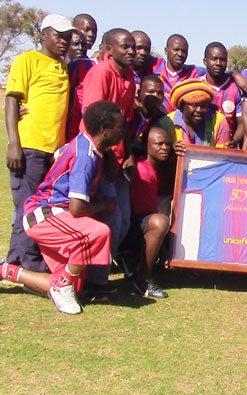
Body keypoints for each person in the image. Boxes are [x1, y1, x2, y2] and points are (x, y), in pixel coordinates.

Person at [0, 101, 124, 314]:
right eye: (119, 126)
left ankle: (5, 270)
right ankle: (61, 286)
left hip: (55, 214)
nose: (123, 131)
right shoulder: (86, 157)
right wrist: (105, 204)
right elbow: (76, 208)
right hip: (44, 214)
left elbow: (60, 155)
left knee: (71, 285)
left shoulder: (86, 145)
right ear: (105, 130)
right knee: (98, 232)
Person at [5, 14, 76, 273]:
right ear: (43, 35)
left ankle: (13, 266)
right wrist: (14, 143)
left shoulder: (63, 66)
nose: (64, 41)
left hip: (53, 152)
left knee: (39, 208)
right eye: (59, 35)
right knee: (27, 209)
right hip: (30, 148)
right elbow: (13, 99)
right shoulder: (27, 60)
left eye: (68, 37)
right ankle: (31, 267)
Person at [80, 28, 137, 289]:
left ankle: (98, 275)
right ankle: (95, 281)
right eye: (125, 46)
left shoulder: (131, 77)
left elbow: (124, 122)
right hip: (100, 158)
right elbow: (91, 119)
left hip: (119, 158)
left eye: (133, 47)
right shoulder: (101, 73)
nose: (131, 51)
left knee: (123, 219)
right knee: (110, 217)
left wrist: (126, 155)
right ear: (109, 49)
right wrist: (109, 158)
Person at [128, 126, 174, 298]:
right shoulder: (138, 167)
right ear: (146, 145)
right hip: (131, 226)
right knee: (160, 221)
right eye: (159, 144)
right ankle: (143, 279)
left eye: (168, 144)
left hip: (142, 223)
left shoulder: (156, 170)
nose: (165, 148)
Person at [168, 79, 232, 154]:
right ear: (181, 106)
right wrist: (171, 152)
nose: (199, 110)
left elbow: (222, 156)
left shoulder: (219, 120)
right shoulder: (168, 122)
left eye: (203, 105)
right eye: (194, 105)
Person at [200, 42, 244, 147]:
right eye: (214, 59)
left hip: (227, 147)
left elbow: (242, 123)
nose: (218, 63)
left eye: (223, 59)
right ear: (205, 61)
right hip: (201, 145)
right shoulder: (197, 86)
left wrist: (234, 141)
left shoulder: (236, 88)